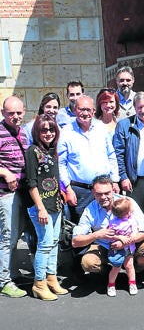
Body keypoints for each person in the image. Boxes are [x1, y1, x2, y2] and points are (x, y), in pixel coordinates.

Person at [71, 175, 144, 280]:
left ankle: (135, 271)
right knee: (88, 263)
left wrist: (125, 241)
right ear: (93, 193)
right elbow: (75, 242)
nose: (103, 197)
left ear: (113, 190)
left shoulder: (127, 202)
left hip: (130, 245)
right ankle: (109, 274)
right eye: (99, 194)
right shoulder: (90, 210)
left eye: (107, 193)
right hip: (104, 246)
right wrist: (96, 235)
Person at [58, 95, 119, 223]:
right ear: (75, 110)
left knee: (108, 225)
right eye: (81, 109)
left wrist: (115, 180)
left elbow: (111, 155)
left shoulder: (101, 128)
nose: (85, 113)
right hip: (80, 191)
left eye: (88, 109)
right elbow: (61, 163)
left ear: (93, 111)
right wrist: (67, 189)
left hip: (104, 189)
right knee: (80, 228)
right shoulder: (66, 132)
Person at [24, 114, 66, 300]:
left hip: (55, 204)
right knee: (45, 243)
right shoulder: (33, 151)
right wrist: (40, 208)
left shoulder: (51, 150)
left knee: (54, 242)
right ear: (37, 132)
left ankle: (51, 278)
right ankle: (39, 283)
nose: (48, 133)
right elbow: (31, 183)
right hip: (41, 206)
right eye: (44, 130)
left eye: (51, 129)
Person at [113, 92, 144, 218]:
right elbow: (118, 154)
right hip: (135, 181)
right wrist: (123, 176)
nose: (143, 110)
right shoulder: (124, 125)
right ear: (134, 107)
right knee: (136, 217)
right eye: (139, 107)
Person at [0, 96, 28, 298]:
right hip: (5, 194)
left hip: (21, 192)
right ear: (3, 113)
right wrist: (4, 172)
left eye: (19, 112)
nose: (15, 116)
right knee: (7, 236)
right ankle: (3, 281)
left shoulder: (23, 133)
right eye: (11, 113)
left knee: (17, 234)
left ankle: (10, 271)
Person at [106, 197, 139, 297]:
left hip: (129, 248)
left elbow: (135, 230)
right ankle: (111, 285)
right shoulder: (114, 222)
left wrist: (134, 234)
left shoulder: (131, 220)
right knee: (116, 267)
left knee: (129, 266)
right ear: (126, 213)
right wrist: (119, 237)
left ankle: (132, 283)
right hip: (117, 249)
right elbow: (109, 234)